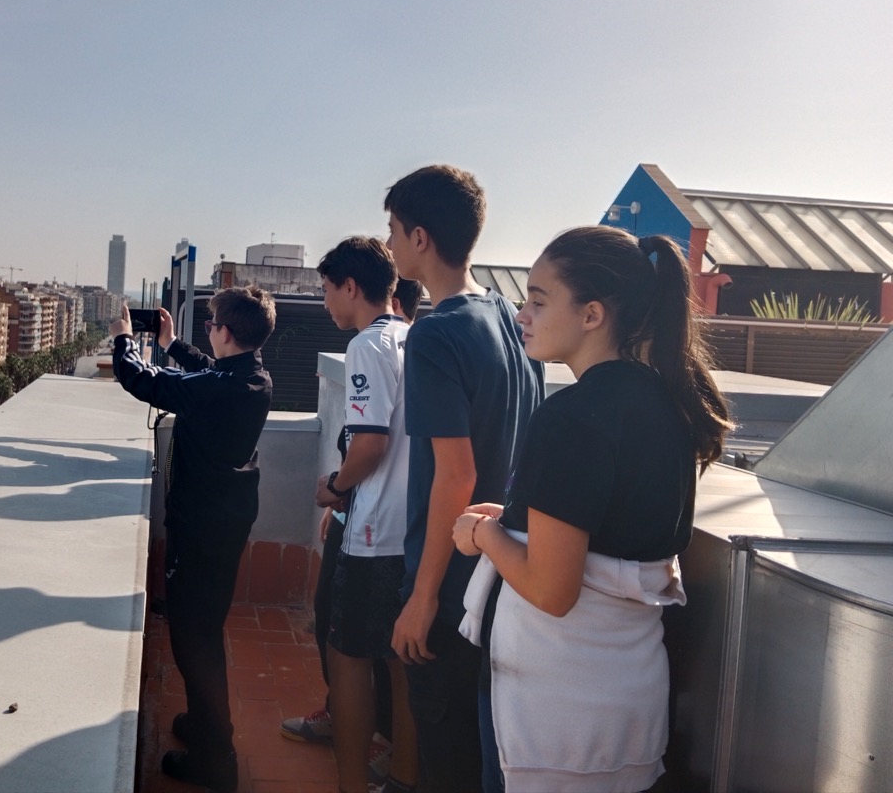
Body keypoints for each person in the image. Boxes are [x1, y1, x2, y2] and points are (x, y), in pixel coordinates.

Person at [453, 226, 732, 792]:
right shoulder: (668, 404)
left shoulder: (573, 416)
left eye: (538, 301)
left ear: (591, 315)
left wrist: (483, 535)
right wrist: (514, 518)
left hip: (555, 707)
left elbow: (552, 590)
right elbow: (612, 524)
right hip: (628, 697)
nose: (522, 315)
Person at [384, 165, 544, 793]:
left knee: (446, 760)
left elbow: (456, 476)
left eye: (394, 230)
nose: (389, 244)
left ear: (420, 238)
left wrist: (423, 598)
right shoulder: (507, 315)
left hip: (454, 585)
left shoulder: (436, 334)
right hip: (506, 571)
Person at [111, 288, 276, 793]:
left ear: (226, 332)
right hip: (224, 520)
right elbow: (208, 372)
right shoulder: (252, 376)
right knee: (202, 626)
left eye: (210, 325)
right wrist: (172, 343)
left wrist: (123, 340)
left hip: (203, 526)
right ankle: (205, 725)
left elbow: (142, 381)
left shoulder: (222, 388)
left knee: (193, 639)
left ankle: (216, 758)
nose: (208, 332)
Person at [309, 236, 417, 793]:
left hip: (374, 534)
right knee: (400, 663)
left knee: (347, 656)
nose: (326, 301)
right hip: (414, 531)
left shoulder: (367, 346)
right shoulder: (414, 337)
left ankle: (352, 783)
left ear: (351, 287)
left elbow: (370, 446)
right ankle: (402, 778)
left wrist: (333, 487)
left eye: (328, 290)